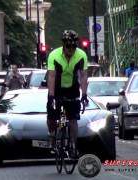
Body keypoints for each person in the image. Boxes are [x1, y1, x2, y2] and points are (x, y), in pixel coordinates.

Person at [46, 30, 89, 158]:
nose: (71, 49)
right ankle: (53, 136)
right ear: (63, 45)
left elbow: (83, 76)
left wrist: (84, 95)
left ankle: (73, 146)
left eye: (73, 47)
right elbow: (51, 77)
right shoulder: (54, 55)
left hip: (72, 88)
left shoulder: (81, 55)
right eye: (68, 46)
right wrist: (52, 97)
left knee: (73, 119)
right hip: (56, 88)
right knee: (52, 117)